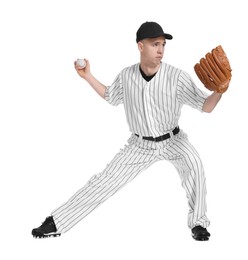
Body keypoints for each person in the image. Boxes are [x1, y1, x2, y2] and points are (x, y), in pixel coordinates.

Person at [32, 21, 223, 241]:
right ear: (140, 46)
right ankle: (57, 221)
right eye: (154, 44)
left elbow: (206, 107)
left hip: (173, 140)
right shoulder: (126, 76)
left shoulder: (176, 77)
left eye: (162, 44)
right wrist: (87, 77)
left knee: (195, 165)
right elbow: (110, 96)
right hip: (140, 145)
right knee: (104, 181)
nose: (160, 49)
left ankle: (199, 224)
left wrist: (220, 91)